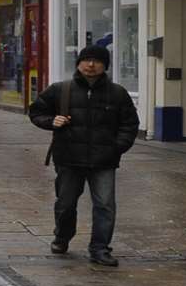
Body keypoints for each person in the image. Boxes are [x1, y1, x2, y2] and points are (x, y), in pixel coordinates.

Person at [29, 44, 139, 268]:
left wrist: (116, 148)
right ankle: (62, 237)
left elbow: (129, 124)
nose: (91, 65)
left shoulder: (117, 93)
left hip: (104, 161)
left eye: (97, 61)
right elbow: (36, 111)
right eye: (86, 60)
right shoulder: (61, 89)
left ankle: (100, 249)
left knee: (105, 205)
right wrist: (52, 121)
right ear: (78, 63)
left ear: (105, 66)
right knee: (66, 204)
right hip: (69, 158)